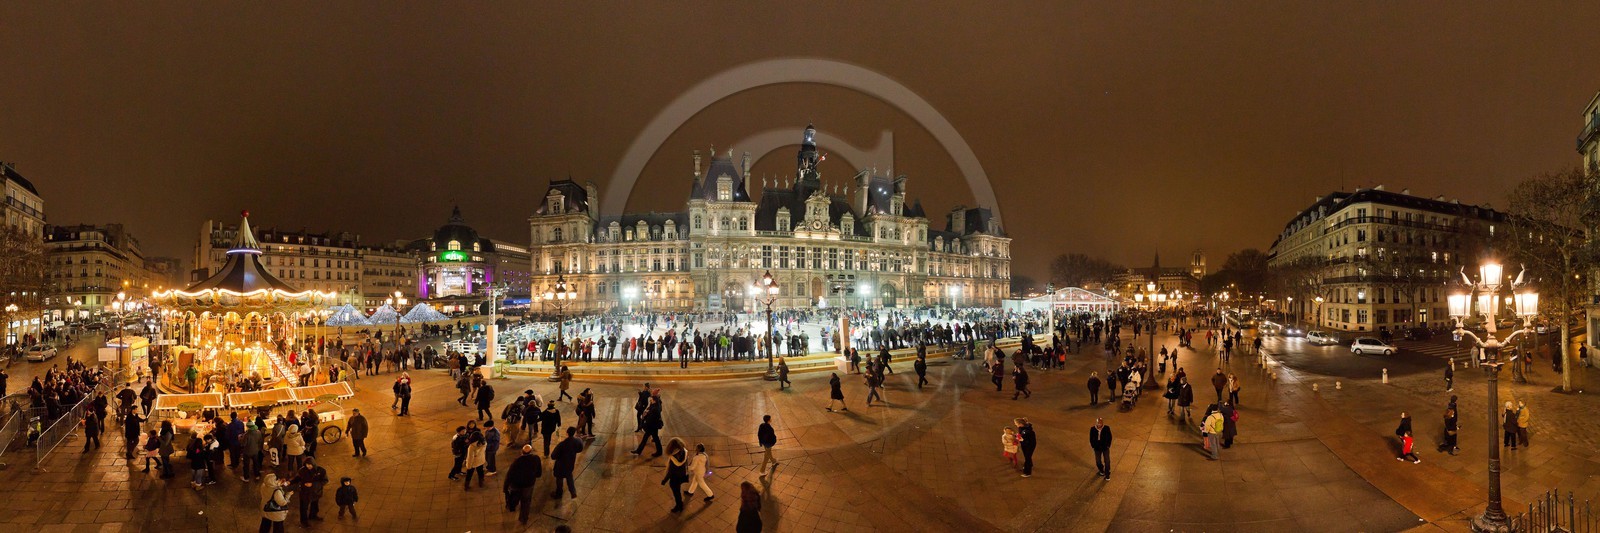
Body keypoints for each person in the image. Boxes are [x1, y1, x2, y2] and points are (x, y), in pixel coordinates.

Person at [505, 444, 542, 524]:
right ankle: (523, 518)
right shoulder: (536, 459)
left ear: (522, 452)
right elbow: (539, 473)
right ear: (531, 452)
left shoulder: (517, 461)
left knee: (514, 497)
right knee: (526, 501)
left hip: (517, 484)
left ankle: (512, 506)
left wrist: (505, 487)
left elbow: (509, 475)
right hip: (529, 484)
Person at [293, 456, 328, 526]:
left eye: (310, 464)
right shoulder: (302, 470)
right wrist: (290, 482)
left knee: (314, 504)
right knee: (303, 507)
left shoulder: (321, 471)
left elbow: (325, 481)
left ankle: (313, 515)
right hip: (305, 492)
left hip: (315, 492)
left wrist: (313, 484)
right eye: (307, 464)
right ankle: (304, 521)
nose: (308, 466)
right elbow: (297, 478)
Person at [551, 427, 583, 500]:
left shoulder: (562, 444)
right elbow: (580, 448)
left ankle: (559, 493)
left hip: (560, 465)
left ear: (567, 433)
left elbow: (553, 456)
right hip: (570, 463)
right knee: (569, 476)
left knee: (559, 479)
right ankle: (573, 492)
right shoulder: (577, 441)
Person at [662, 438, 690, 513]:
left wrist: (664, 480)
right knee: (678, 491)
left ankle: (679, 505)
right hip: (682, 475)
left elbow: (670, 472)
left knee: (676, 492)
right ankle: (680, 504)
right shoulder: (684, 451)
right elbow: (686, 464)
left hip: (674, 478)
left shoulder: (673, 458)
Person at [757, 414, 778, 479]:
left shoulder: (761, 425)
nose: (771, 419)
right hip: (768, 444)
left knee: (768, 453)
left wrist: (761, 442)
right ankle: (762, 471)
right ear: (768, 420)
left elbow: (759, 434)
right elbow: (772, 437)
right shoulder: (770, 429)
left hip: (764, 443)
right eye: (770, 418)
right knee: (766, 457)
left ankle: (773, 461)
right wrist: (774, 441)